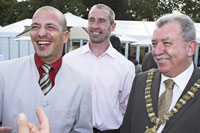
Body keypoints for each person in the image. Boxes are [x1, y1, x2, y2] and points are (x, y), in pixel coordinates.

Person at [0, 6, 92, 133]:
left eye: (50, 27)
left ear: (65, 37)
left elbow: (82, 130)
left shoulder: (82, 83)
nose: (41, 33)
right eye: (35, 27)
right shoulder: (4, 73)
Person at [120, 13, 200, 133]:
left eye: (167, 43)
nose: (157, 51)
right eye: (154, 44)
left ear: (190, 48)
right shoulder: (140, 81)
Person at [63, 4, 135, 133]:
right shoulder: (69, 60)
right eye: (91, 20)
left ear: (112, 27)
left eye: (101, 21)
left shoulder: (125, 66)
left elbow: (127, 106)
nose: (95, 26)